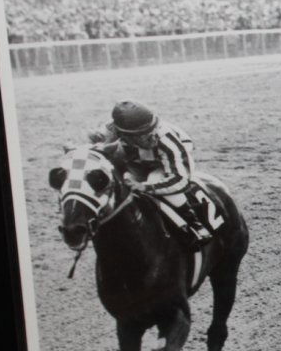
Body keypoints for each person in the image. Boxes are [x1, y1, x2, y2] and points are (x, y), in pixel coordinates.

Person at [89, 100, 213, 248]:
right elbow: (94, 152)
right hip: (134, 157)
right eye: (142, 134)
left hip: (168, 161)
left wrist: (145, 187)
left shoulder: (166, 139)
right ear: (124, 134)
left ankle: (193, 223)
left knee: (154, 178)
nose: (152, 137)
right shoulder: (108, 132)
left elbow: (180, 180)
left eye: (152, 129)